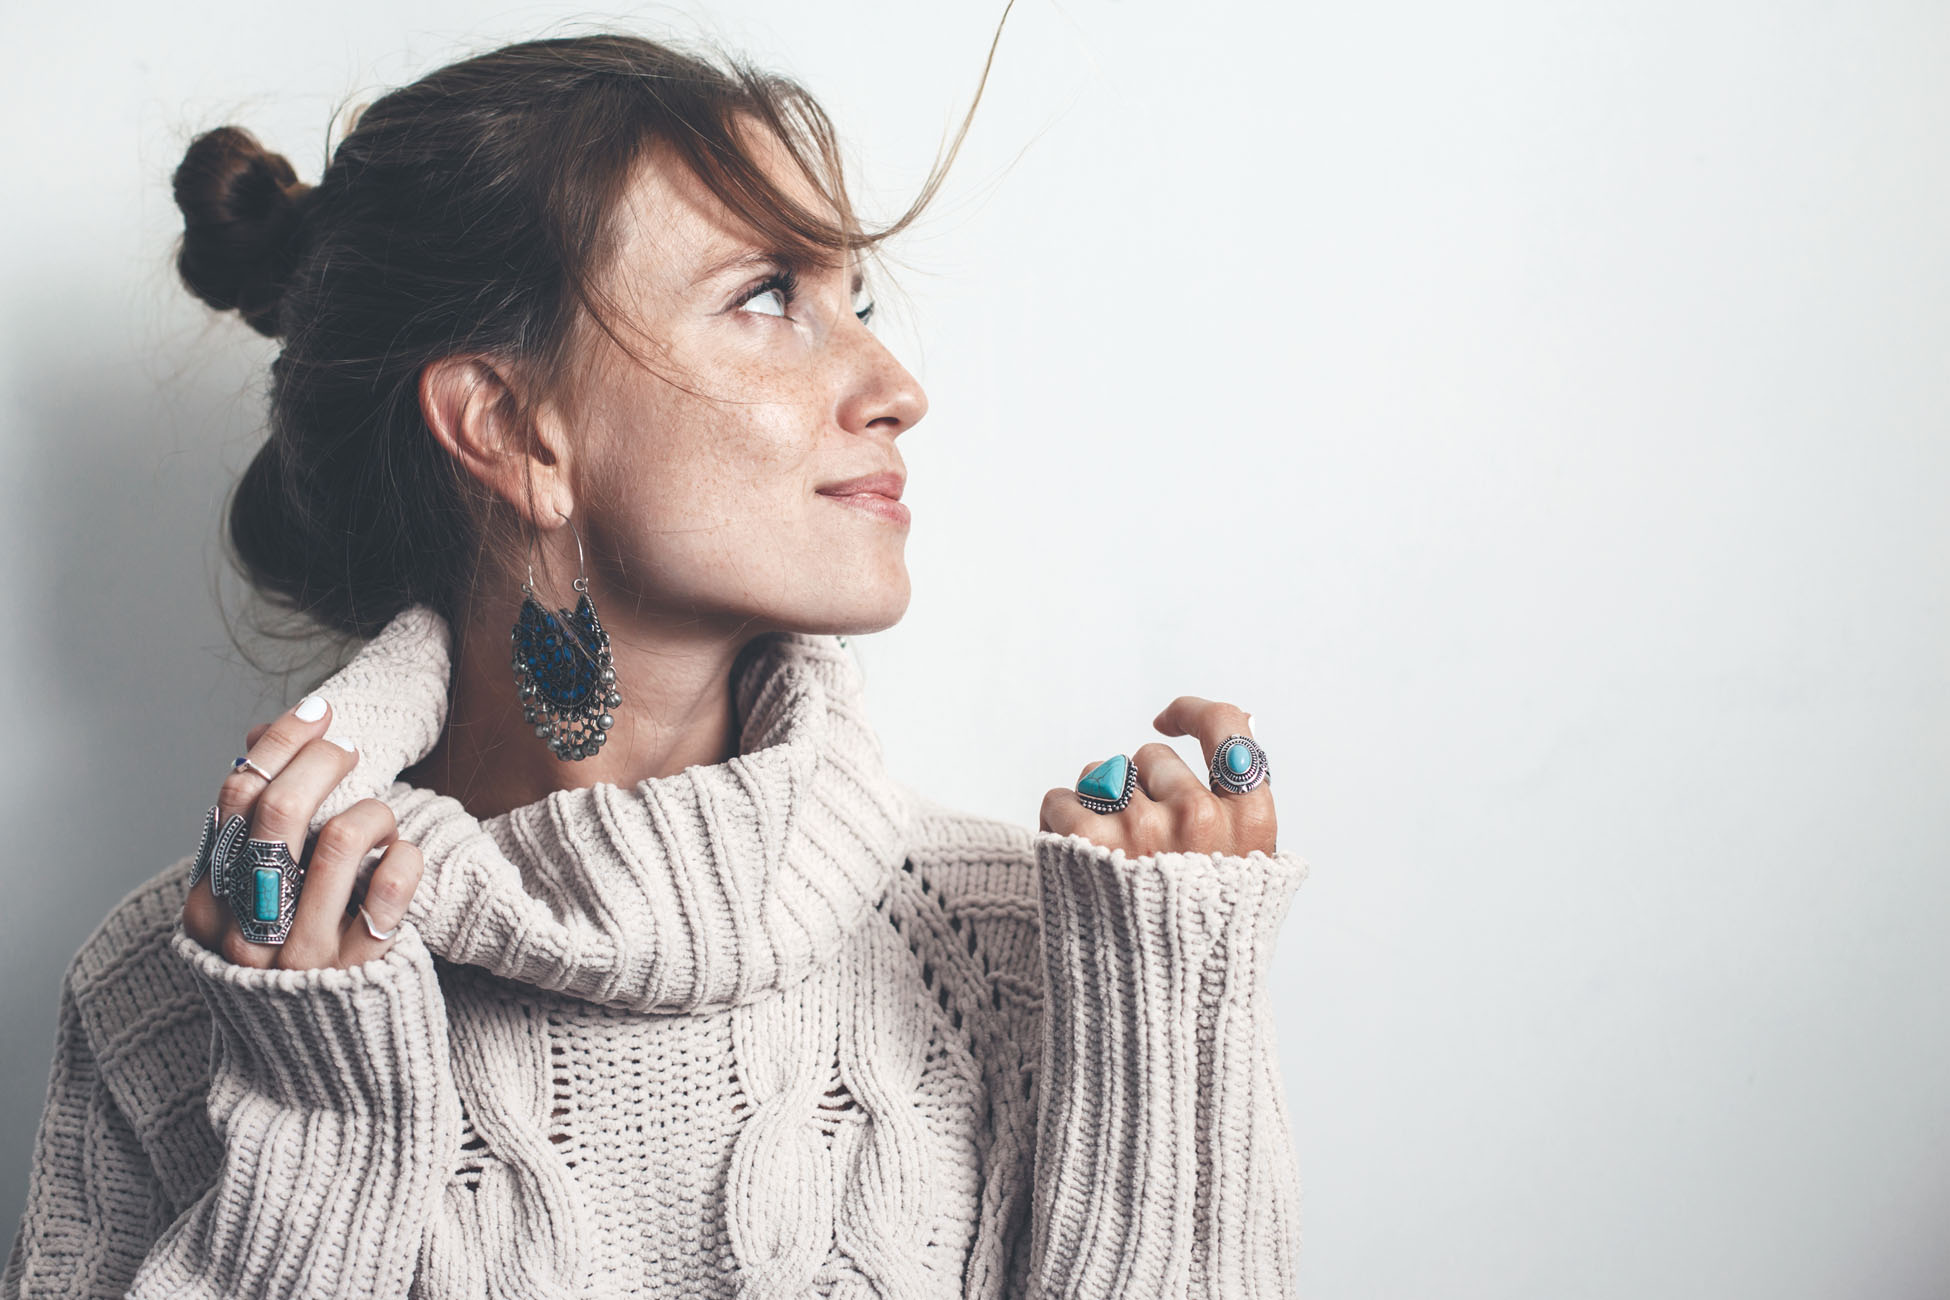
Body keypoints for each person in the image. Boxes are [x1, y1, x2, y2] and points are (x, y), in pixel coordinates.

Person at [2, 26, 1310, 1300]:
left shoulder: (1048, 949)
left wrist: (1168, 1007)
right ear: (512, 427)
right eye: (767, 296)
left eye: (854, 300)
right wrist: (320, 1137)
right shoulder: (175, 994)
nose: (896, 385)